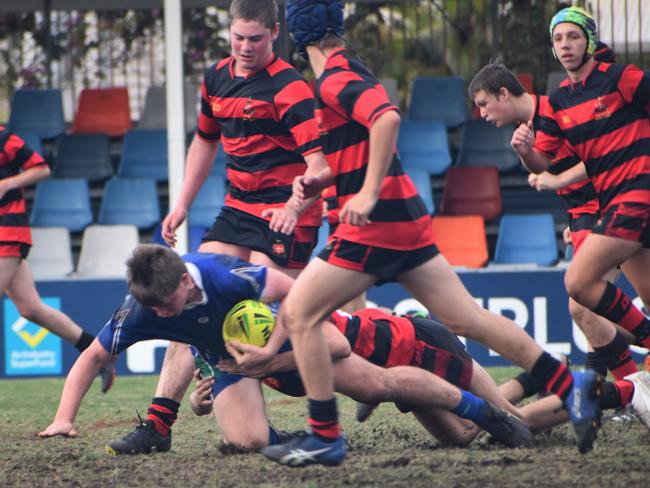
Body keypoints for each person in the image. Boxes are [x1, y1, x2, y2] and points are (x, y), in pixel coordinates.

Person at [260, 0, 602, 467]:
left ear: (296, 35)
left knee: (298, 315)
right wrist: (325, 180)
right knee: (467, 319)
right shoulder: (345, 69)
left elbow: (386, 118)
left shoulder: (335, 77)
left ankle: (324, 436)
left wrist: (366, 194)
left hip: (373, 227)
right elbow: (359, 142)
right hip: (404, 220)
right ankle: (571, 385)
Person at [38, 244, 531, 455]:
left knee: (378, 385)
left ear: (187, 282)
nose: (163, 318)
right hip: (244, 363)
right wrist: (63, 416)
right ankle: (285, 431)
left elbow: (312, 315)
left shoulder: (228, 275)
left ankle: (483, 409)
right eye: (156, 311)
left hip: (300, 340)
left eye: (169, 306)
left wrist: (270, 353)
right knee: (245, 441)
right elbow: (93, 357)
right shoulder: (146, 306)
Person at [107, 0, 332, 454]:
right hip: (238, 208)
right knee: (185, 294)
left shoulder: (291, 89)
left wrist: (292, 204)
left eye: (256, 38)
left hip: (287, 216)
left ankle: (348, 377)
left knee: (263, 316)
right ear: (229, 33)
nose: (246, 47)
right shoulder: (216, 78)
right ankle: (158, 424)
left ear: (274, 32)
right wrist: (182, 204)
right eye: (238, 38)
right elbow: (205, 142)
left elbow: (320, 167)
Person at [194, 308, 650, 446]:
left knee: (517, 423)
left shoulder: (281, 329)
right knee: (461, 437)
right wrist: (204, 398)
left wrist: (268, 362)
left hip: (418, 345)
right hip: (396, 369)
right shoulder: (231, 355)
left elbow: (337, 348)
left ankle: (625, 391)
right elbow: (228, 395)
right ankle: (528, 381)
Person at [468, 59, 644, 383]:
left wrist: (559, 181)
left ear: (504, 93)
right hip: (589, 214)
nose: (482, 113)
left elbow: (601, 158)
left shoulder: (556, 111)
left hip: (610, 210)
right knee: (586, 308)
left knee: (583, 306)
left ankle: (627, 389)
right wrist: (574, 218)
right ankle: (625, 389)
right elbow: (548, 168)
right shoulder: (534, 124)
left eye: (483, 104)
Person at [511, 7, 650, 370]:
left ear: (588, 40)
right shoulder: (560, 100)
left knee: (578, 282)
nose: (565, 44)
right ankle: (633, 386)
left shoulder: (622, 78)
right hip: (614, 204)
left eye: (572, 36)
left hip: (637, 195)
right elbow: (542, 162)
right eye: (558, 39)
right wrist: (525, 151)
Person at [0, 127, 114, 393]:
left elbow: (41, 169)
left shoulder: (3, 138)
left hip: (7, 229)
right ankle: (97, 353)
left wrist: (7, 184)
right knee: (30, 308)